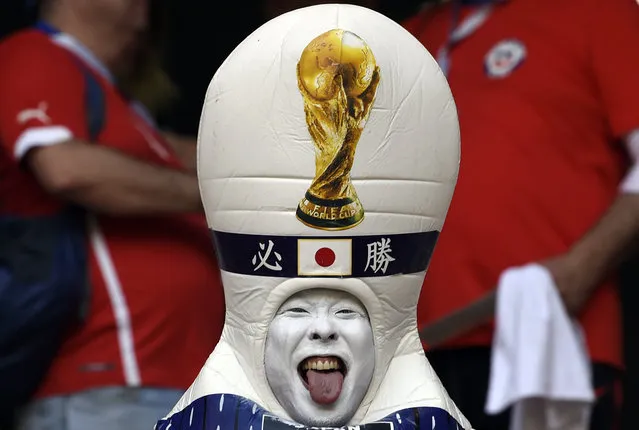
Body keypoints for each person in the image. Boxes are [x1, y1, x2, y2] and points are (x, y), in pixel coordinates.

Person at [155, 4, 473, 430]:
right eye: (298, 312)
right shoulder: (212, 416)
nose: (323, 330)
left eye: (346, 313)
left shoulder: (424, 418)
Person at [402, 0, 639, 428]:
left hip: (551, 340)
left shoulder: (597, 11)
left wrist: (582, 266)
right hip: (409, 360)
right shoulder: (401, 40)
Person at [0, 0, 225, 428]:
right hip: (109, 381)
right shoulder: (34, 53)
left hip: (171, 387)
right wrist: (218, 194)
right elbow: (68, 170)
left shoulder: (124, 111)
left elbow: (207, 155)